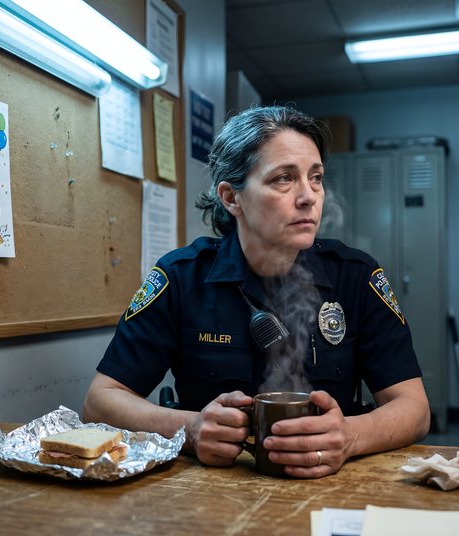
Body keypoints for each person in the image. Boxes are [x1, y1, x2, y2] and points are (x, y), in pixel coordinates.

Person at [83, 105, 430, 478]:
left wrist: (350, 436)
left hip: (325, 483)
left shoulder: (356, 277)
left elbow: (414, 407)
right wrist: (190, 428)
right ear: (232, 198)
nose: (308, 196)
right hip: (210, 490)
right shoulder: (181, 277)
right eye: (283, 179)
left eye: (316, 178)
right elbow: (100, 401)